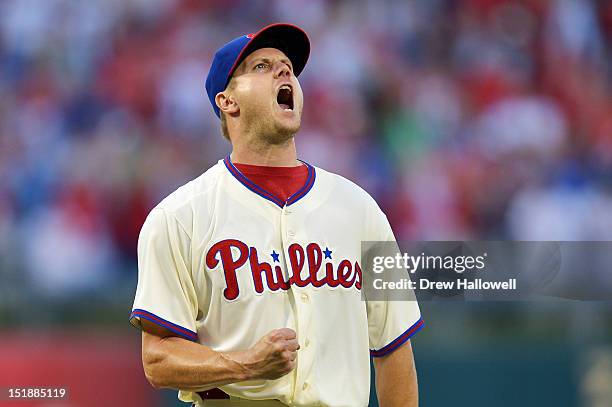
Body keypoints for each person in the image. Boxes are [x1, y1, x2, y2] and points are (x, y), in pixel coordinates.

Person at [129, 23, 424, 407]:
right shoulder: (178, 217)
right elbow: (158, 360)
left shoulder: (361, 208)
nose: (284, 71)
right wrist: (244, 364)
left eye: (287, 66)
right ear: (227, 101)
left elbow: (394, 347)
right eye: (262, 67)